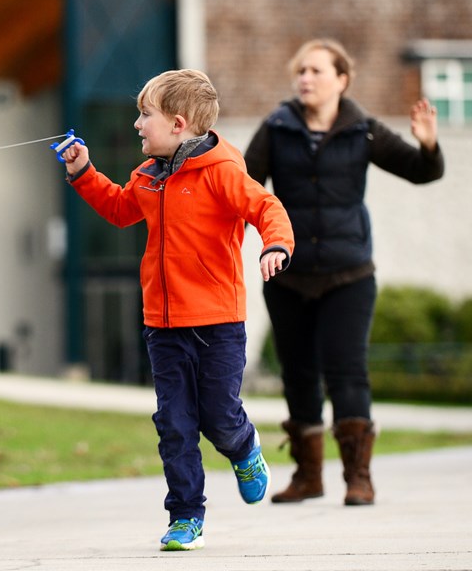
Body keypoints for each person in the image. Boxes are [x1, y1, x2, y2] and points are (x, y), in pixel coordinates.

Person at [59, 69, 294, 551]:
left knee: (219, 417)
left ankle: (244, 447)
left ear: (179, 124)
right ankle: (186, 516)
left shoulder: (224, 171)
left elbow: (267, 208)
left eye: (145, 115)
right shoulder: (147, 177)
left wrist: (275, 247)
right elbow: (120, 209)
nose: (137, 125)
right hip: (162, 325)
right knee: (175, 424)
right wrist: (83, 171)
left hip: (218, 323)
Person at [244, 38, 445, 507]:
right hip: (287, 272)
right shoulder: (276, 127)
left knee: (348, 373)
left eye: (315, 71)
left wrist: (429, 143)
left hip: (348, 274)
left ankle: (359, 477)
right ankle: (308, 476)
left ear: (342, 80)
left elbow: (421, 171)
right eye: (300, 72)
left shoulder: (364, 130)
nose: (305, 79)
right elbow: (245, 185)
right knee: (298, 374)